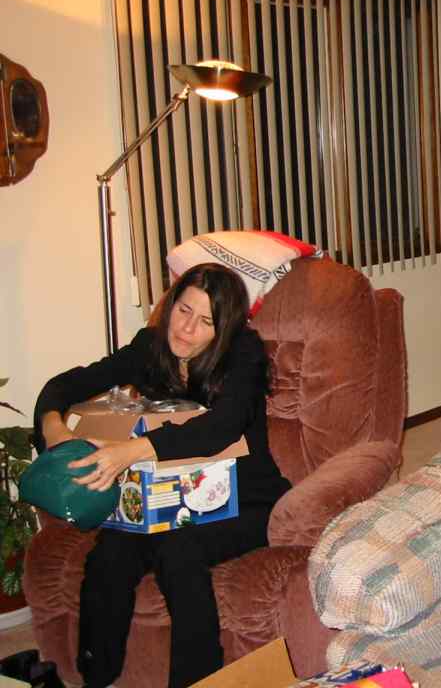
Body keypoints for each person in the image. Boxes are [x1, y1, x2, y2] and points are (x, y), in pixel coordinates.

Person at [33, 263, 291, 688]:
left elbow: (221, 427)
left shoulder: (242, 352)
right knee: (111, 551)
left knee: (177, 548)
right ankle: (95, 677)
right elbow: (64, 386)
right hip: (168, 499)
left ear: (223, 330)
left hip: (244, 500)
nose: (187, 329)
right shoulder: (150, 349)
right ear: (170, 305)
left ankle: (198, 682)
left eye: (205, 321)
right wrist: (54, 430)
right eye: (183, 310)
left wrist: (129, 452)